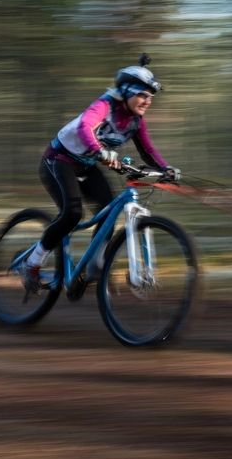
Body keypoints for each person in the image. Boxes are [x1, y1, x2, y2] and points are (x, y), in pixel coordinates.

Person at [21, 55, 179, 293]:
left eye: (150, 97)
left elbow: (147, 150)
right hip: (58, 160)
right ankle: (31, 264)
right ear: (125, 91)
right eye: (142, 95)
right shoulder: (105, 105)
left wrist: (165, 168)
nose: (147, 101)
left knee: (107, 211)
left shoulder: (136, 121)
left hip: (86, 166)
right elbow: (85, 126)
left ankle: (96, 267)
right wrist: (100, 152)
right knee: (72, 214)